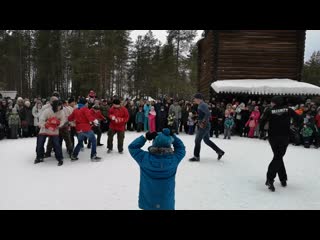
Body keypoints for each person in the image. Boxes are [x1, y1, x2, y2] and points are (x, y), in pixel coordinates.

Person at [128, 128, 186, 210]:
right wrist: (173, 136)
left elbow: (132, 147)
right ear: (169, 144)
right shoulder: (174, 160)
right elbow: (181, 148)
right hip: (166, 202)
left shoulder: (144, 158)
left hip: (148, 202)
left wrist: (145, 137)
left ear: (154, 143)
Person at [260, 96, 299, 192]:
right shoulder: (288, 110)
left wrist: (262, 131)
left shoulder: (269, 110)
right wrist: (294, 126)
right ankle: (270, 178)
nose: (271, 104)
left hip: (273, 137)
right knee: (278, 156)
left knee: (278, 156)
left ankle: (283, 178)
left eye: (272, 102)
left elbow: (262, 121)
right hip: (284, 137)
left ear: (276, 103)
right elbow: (299, 118)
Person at [189, 93, 225, 162]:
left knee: (197, 140)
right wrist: (196, 117)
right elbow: (203, 114)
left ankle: (196, 157)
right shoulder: (201, 105)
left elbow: (208, 114)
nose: (194, 100)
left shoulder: (202, 105)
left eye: (195, 99)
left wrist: (203, 122)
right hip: (204, 125)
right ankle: (219, 151)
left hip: (204, 126)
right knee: (207, 141)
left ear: (198, 99)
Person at [68, 97, 102, 162]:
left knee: (80, 142)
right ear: (85, 103)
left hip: (78, 129)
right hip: (86, 128)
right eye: (86, 103)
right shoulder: (85, 109)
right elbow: (89, 117)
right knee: (94, 140)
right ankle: (93, 155)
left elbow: (69, 118)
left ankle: (74, 156)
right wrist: (95, 120)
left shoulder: (75, 110)